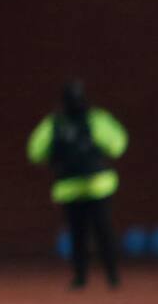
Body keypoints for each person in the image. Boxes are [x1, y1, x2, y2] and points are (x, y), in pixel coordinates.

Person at [27, 79, 127, 289]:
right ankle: (113, 276)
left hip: (68, 187)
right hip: (98, 185)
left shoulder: (54, 123)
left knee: (77, 234)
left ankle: (80, 278)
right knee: (103, 232)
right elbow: (118, 145)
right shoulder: (96, 119)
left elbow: (35, 151)